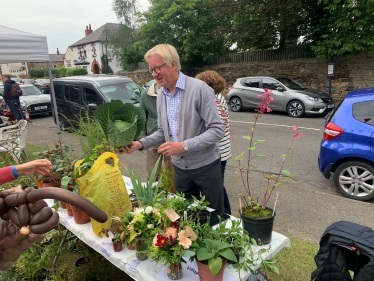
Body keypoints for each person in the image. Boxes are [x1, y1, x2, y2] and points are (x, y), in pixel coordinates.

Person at [120, 44, 225, 214]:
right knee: (187, 217)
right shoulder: (161, 95)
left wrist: (183, 146)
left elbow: (217, 130)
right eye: (152, 70)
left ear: (173, 64)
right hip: (180, 169)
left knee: (214, 218)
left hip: (205, 167)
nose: (154, 74)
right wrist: (139, 144)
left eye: (158, 68)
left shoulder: (199, 89)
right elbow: (163, 132)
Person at [195, 70, 232, 215]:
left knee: (217, 188)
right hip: (224, 150)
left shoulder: (212, 100)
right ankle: (226, 214)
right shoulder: (219, 98)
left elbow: (214, 129)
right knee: (219, 186)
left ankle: (226, 215)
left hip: (218, 152)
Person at [139, 81, 170, 179]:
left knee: (172, 170)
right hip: (153, 134)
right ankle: (153, 190)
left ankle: (172, 191)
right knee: (153, 171)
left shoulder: (173, 91)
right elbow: (142, 116)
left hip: (171, 137)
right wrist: (142, 137)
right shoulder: (146, 94)